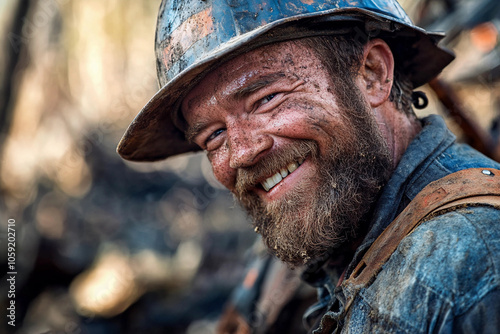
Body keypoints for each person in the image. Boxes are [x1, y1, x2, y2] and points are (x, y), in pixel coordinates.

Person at [117, 0, 500, 332]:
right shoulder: (315, 241)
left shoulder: (471, 266)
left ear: (372, 74)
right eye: (214, 136)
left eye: (267, 98)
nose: (243, 152)